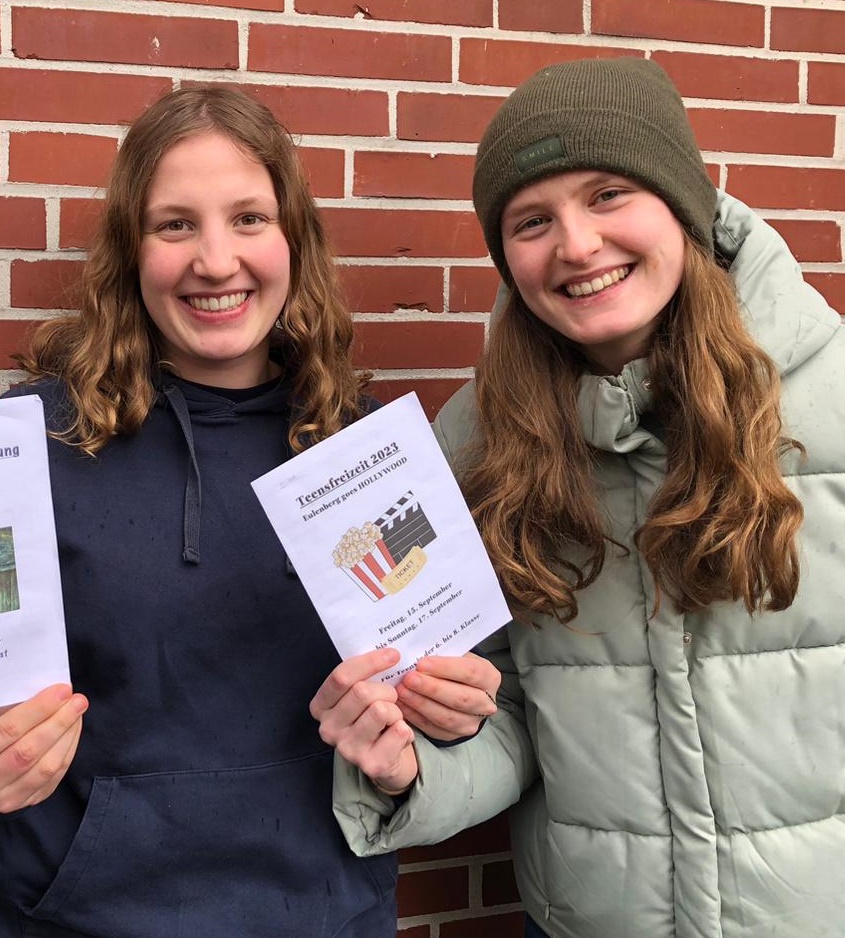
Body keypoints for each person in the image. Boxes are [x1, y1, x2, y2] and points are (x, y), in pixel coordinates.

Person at [0, 85, 499, 938]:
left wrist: (447, 724)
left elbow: (437, 700)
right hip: (76, 922)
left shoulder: (366, 449)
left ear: (293, 239)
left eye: (248, 218)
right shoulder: (14, 444)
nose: (215, 261)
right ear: (129, 250)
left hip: (324, 917)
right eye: (175, 225)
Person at [325, 57, 845, 938]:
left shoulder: (828, 393)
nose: (574, 245)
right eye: (532, 220)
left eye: (608, 195)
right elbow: (511, 717)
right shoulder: (475, 442)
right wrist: (411, 766)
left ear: (681, 205)